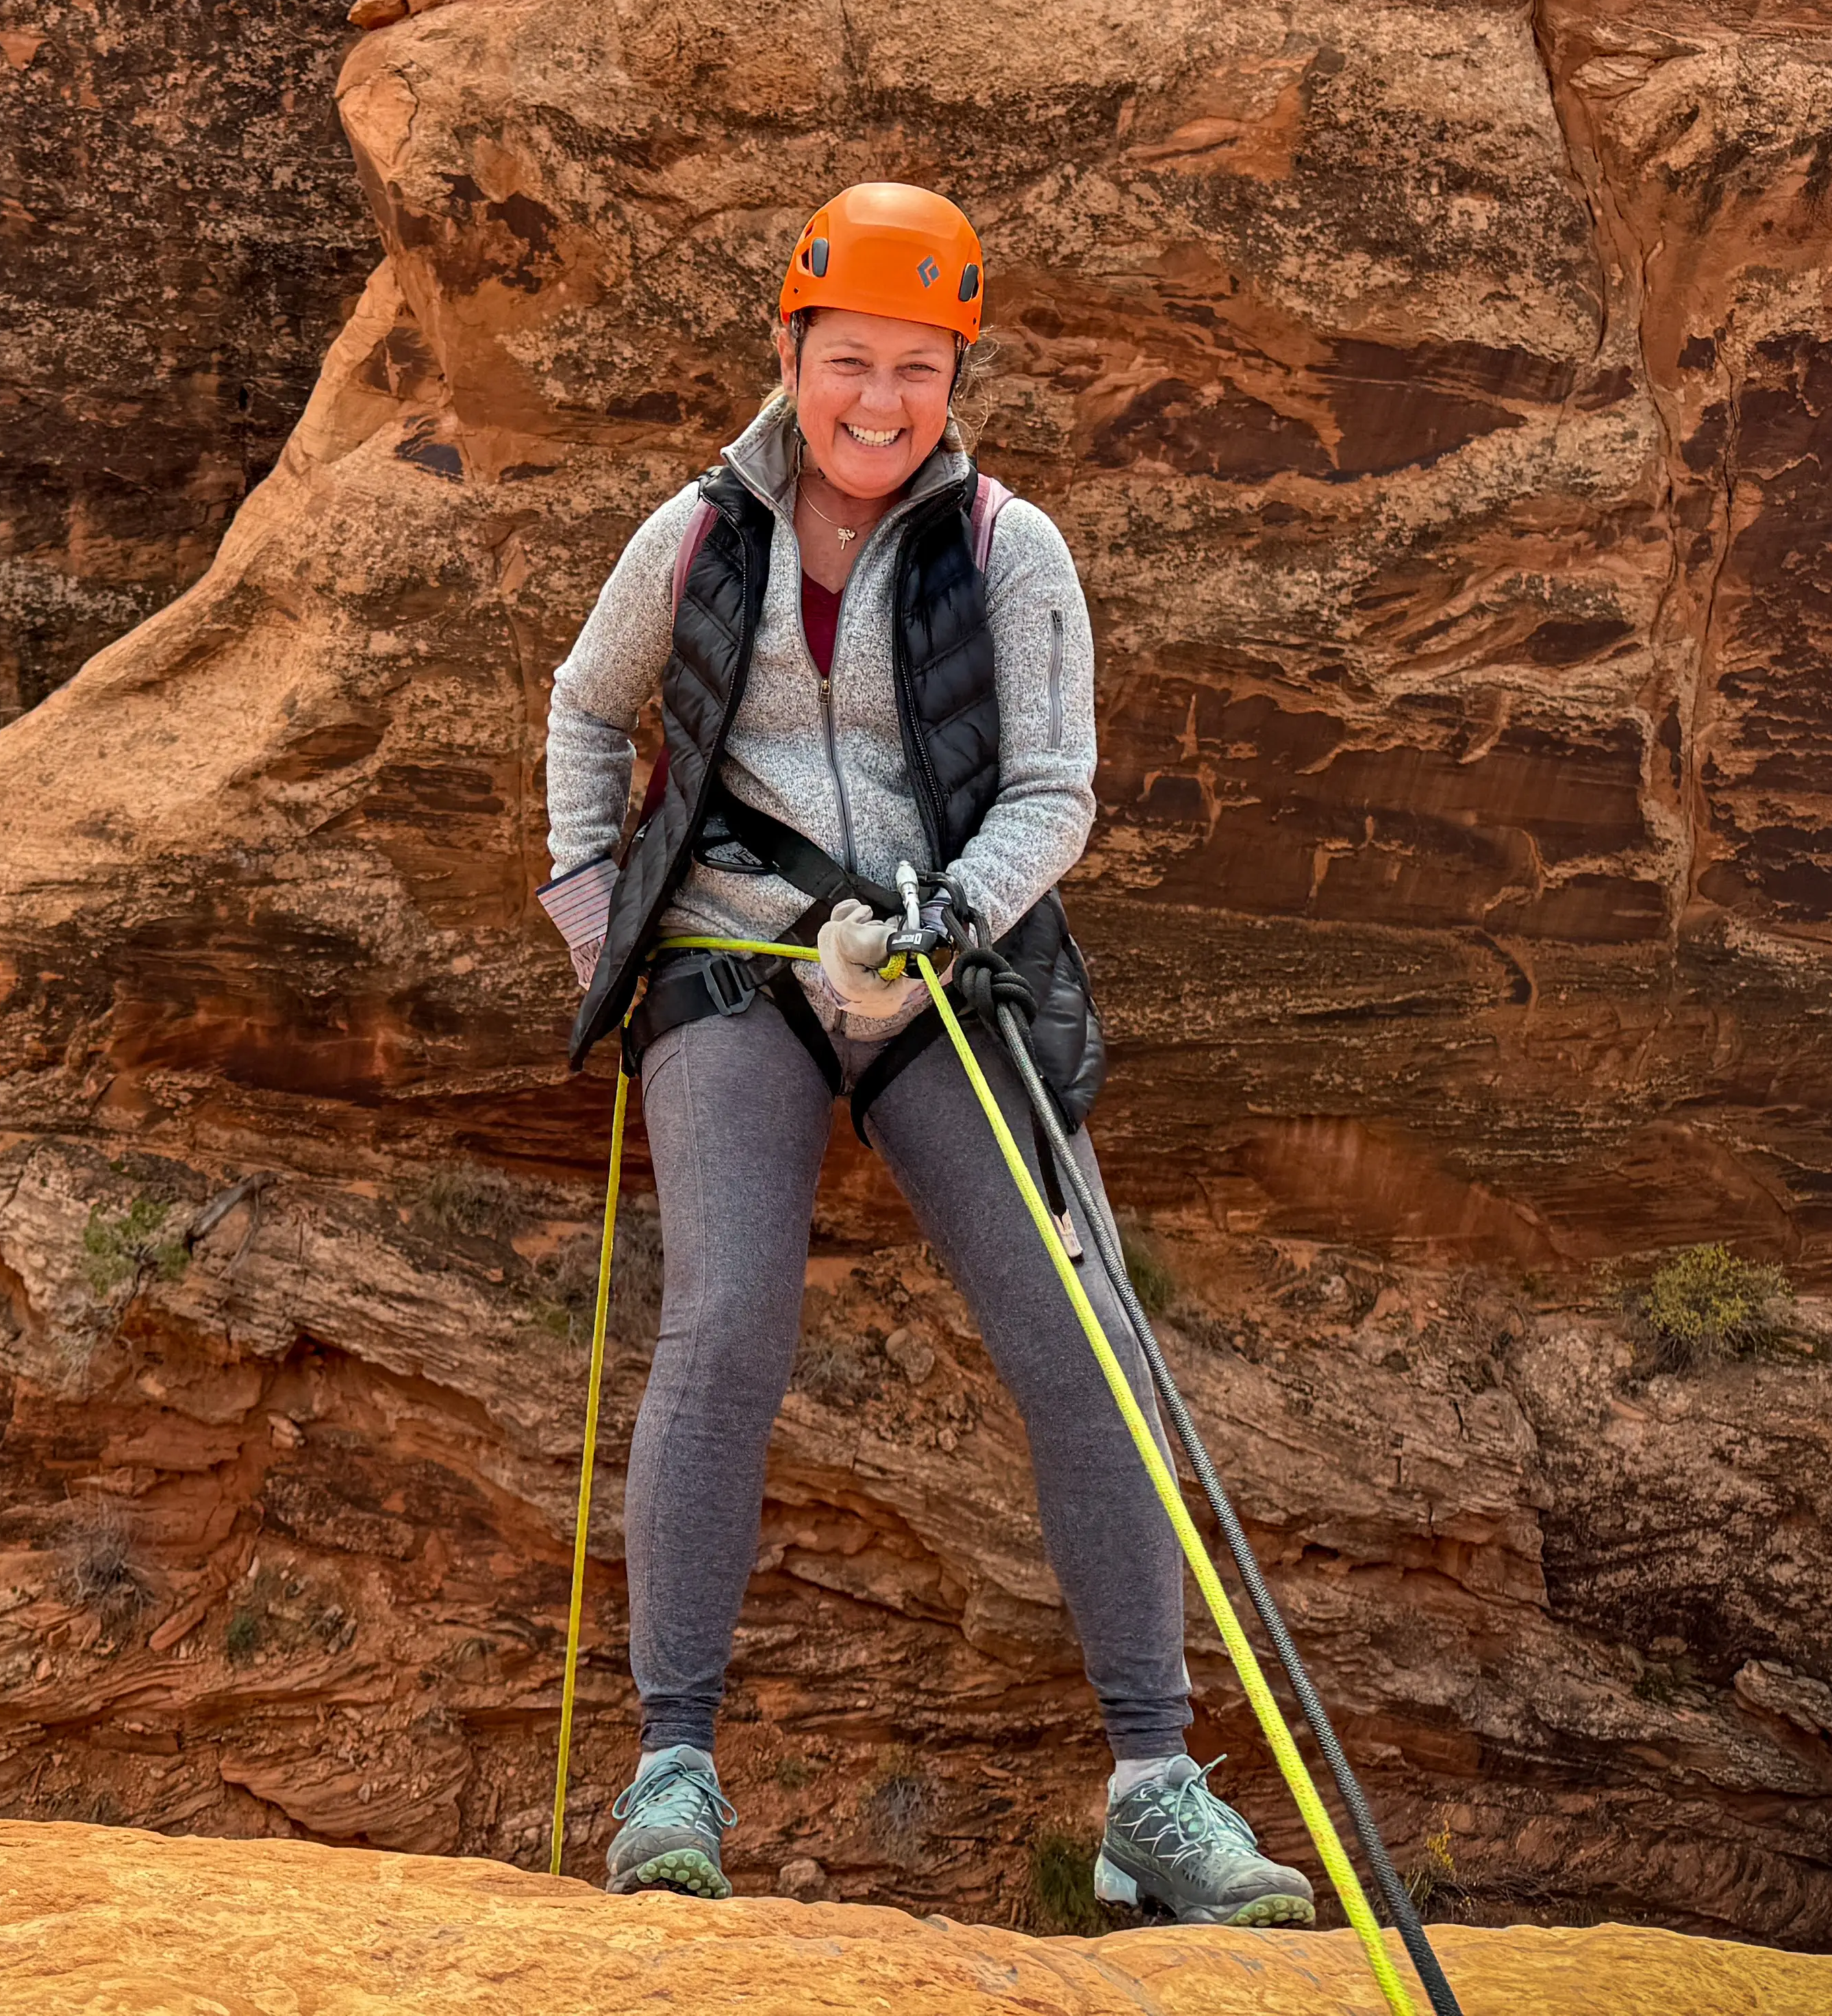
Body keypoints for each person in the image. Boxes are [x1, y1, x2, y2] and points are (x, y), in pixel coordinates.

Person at [531, 181, 1313, 1926]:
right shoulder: (696, 537)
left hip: (940, 969)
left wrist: (944, 929)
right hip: (731, 963)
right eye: (849, 363)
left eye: (918, 368)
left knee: (1082, 1332)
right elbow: (592, 705)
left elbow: (1055, 793)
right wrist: (598, 915)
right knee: (727, 1314)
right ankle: (673, 1772)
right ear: (790, 354)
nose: (879, 403)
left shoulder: (1008, 552)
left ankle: (1154, 1792)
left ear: (961, 371)